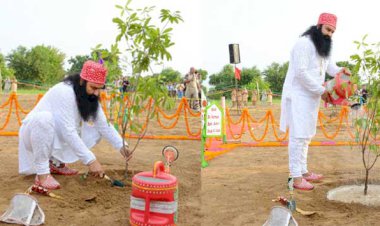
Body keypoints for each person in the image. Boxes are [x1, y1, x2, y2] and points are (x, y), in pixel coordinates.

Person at [18, 60, 132, 190]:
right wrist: (91, 161)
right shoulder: (65, 91)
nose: (96, 93)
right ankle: (42, 175)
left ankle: (55, 163)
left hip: (56, 133)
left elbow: (103, 124)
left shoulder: (91, 95)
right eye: (93, 88)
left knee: (93, 130)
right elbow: (67, 131)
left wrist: (121, 145)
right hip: (34, 134)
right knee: (45, 119)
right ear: (82, 82)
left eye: (99, 89)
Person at [279, 13, 351, 190]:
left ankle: (303, 172)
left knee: (306, 137)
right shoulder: (303, 44)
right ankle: (295, 178)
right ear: (319, 26)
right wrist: (323, 91)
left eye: (333, 31)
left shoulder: (323, 48)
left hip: (311, 98)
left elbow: (330, 68)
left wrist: (341, 70)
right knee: (297, 137)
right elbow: (301, 73)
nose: (330, 34)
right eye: (328, 29)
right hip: (297, 96)